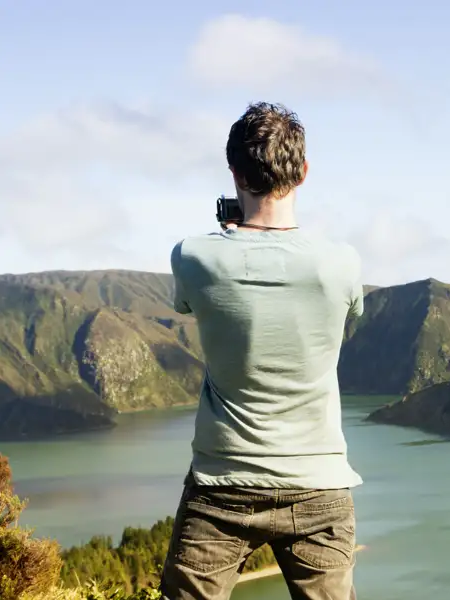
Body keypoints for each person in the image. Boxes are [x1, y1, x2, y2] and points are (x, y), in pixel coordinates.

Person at [160, 102, 364, 600]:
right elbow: (348, 319)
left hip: (222, 483)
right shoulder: (342, 262)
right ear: (304, 172)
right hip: (319, 483)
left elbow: (188, 302)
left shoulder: (195, 255)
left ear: (234, 173)